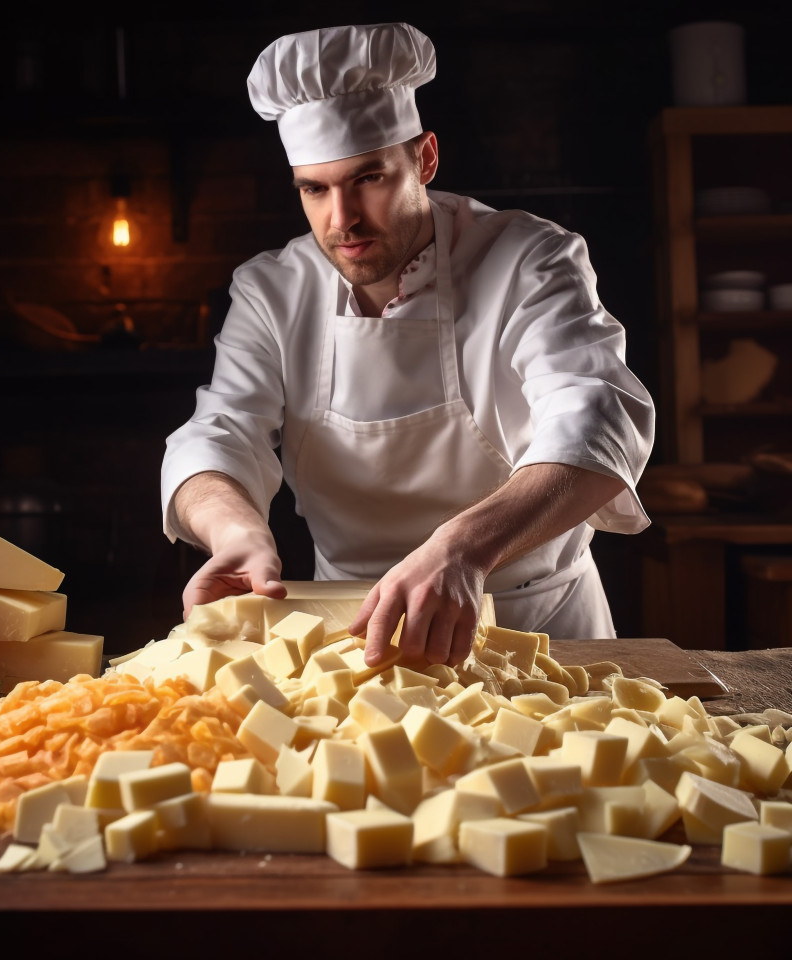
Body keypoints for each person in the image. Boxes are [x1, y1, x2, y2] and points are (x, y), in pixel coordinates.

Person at [161, 22, 655, 669]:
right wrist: (238, 533)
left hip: (539, 626)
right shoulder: (271, 290)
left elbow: (598, 420)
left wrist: (462, 548)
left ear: (423, 159)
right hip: (350, 640)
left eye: (368, 178)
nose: (343, 220)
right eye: (315, 188)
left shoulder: (530, 258)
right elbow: (219, 432)